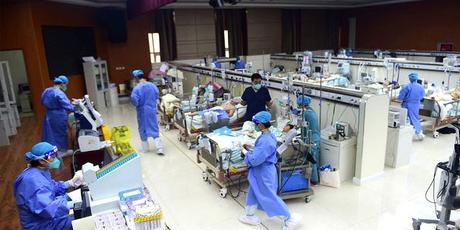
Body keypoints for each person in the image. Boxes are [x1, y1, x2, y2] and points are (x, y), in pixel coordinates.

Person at [239, 111, 301, 230]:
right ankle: (249, 215)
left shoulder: (266, 140)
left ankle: (289, 218)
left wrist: (243, 150)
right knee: (253, 191)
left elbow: (255, 159)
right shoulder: (267, 135)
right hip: (259, 171)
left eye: (256, 123)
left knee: (268, 196)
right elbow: (261, 151)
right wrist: (251, 147)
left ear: (261, 125)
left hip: (263, 172)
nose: (256, 125)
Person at [13, 142, 83, 230]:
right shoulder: (32, 182)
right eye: (53, 157)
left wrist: (70, 183)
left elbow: (50, 188)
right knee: (81, 220)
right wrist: (73, 204)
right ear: (41, 161)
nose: (56, 159)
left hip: (45, 219)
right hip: (41, 226)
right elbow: (48, 209)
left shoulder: (38, 170)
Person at [131, 69, 164, 155]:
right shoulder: (152, 85)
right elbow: (157, 95)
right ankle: (159, 148)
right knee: (154, 127)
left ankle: (145, 149)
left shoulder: (136, 88)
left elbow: (135, 101)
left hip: (142, 112)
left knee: (142, 128)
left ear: (136, 78)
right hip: (151, 110)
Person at [41, 75, 74, 155]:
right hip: (58, 116)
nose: (65, 87)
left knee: (50, 133)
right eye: (65, 85)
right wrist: (76, 107)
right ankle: (62, 151)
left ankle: (53, 151)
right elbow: (68, 107)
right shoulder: (59, 93)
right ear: (62, 84)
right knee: (61, 133)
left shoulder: (47, 90)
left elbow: (42, 101)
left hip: (49, 114)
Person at [297, 95, 320, 185]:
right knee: (315, 159)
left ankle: (313, 181)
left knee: (311, 160)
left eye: (298, 105)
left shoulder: (305, 113)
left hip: (311, 139)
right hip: (316, 137)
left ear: (301, 104)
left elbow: (300, 126)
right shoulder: (312, 111)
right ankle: (316, 178)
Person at [398, 72, 425, 140]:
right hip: (416, 105)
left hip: (407, 104)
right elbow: (422, 97)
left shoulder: (407, 86)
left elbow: (400, 97)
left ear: (409, 79)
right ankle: (419, 132)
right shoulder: (421, 87)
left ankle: (407, 134)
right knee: (415, 118)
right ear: (416, 78)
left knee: (406, 119)